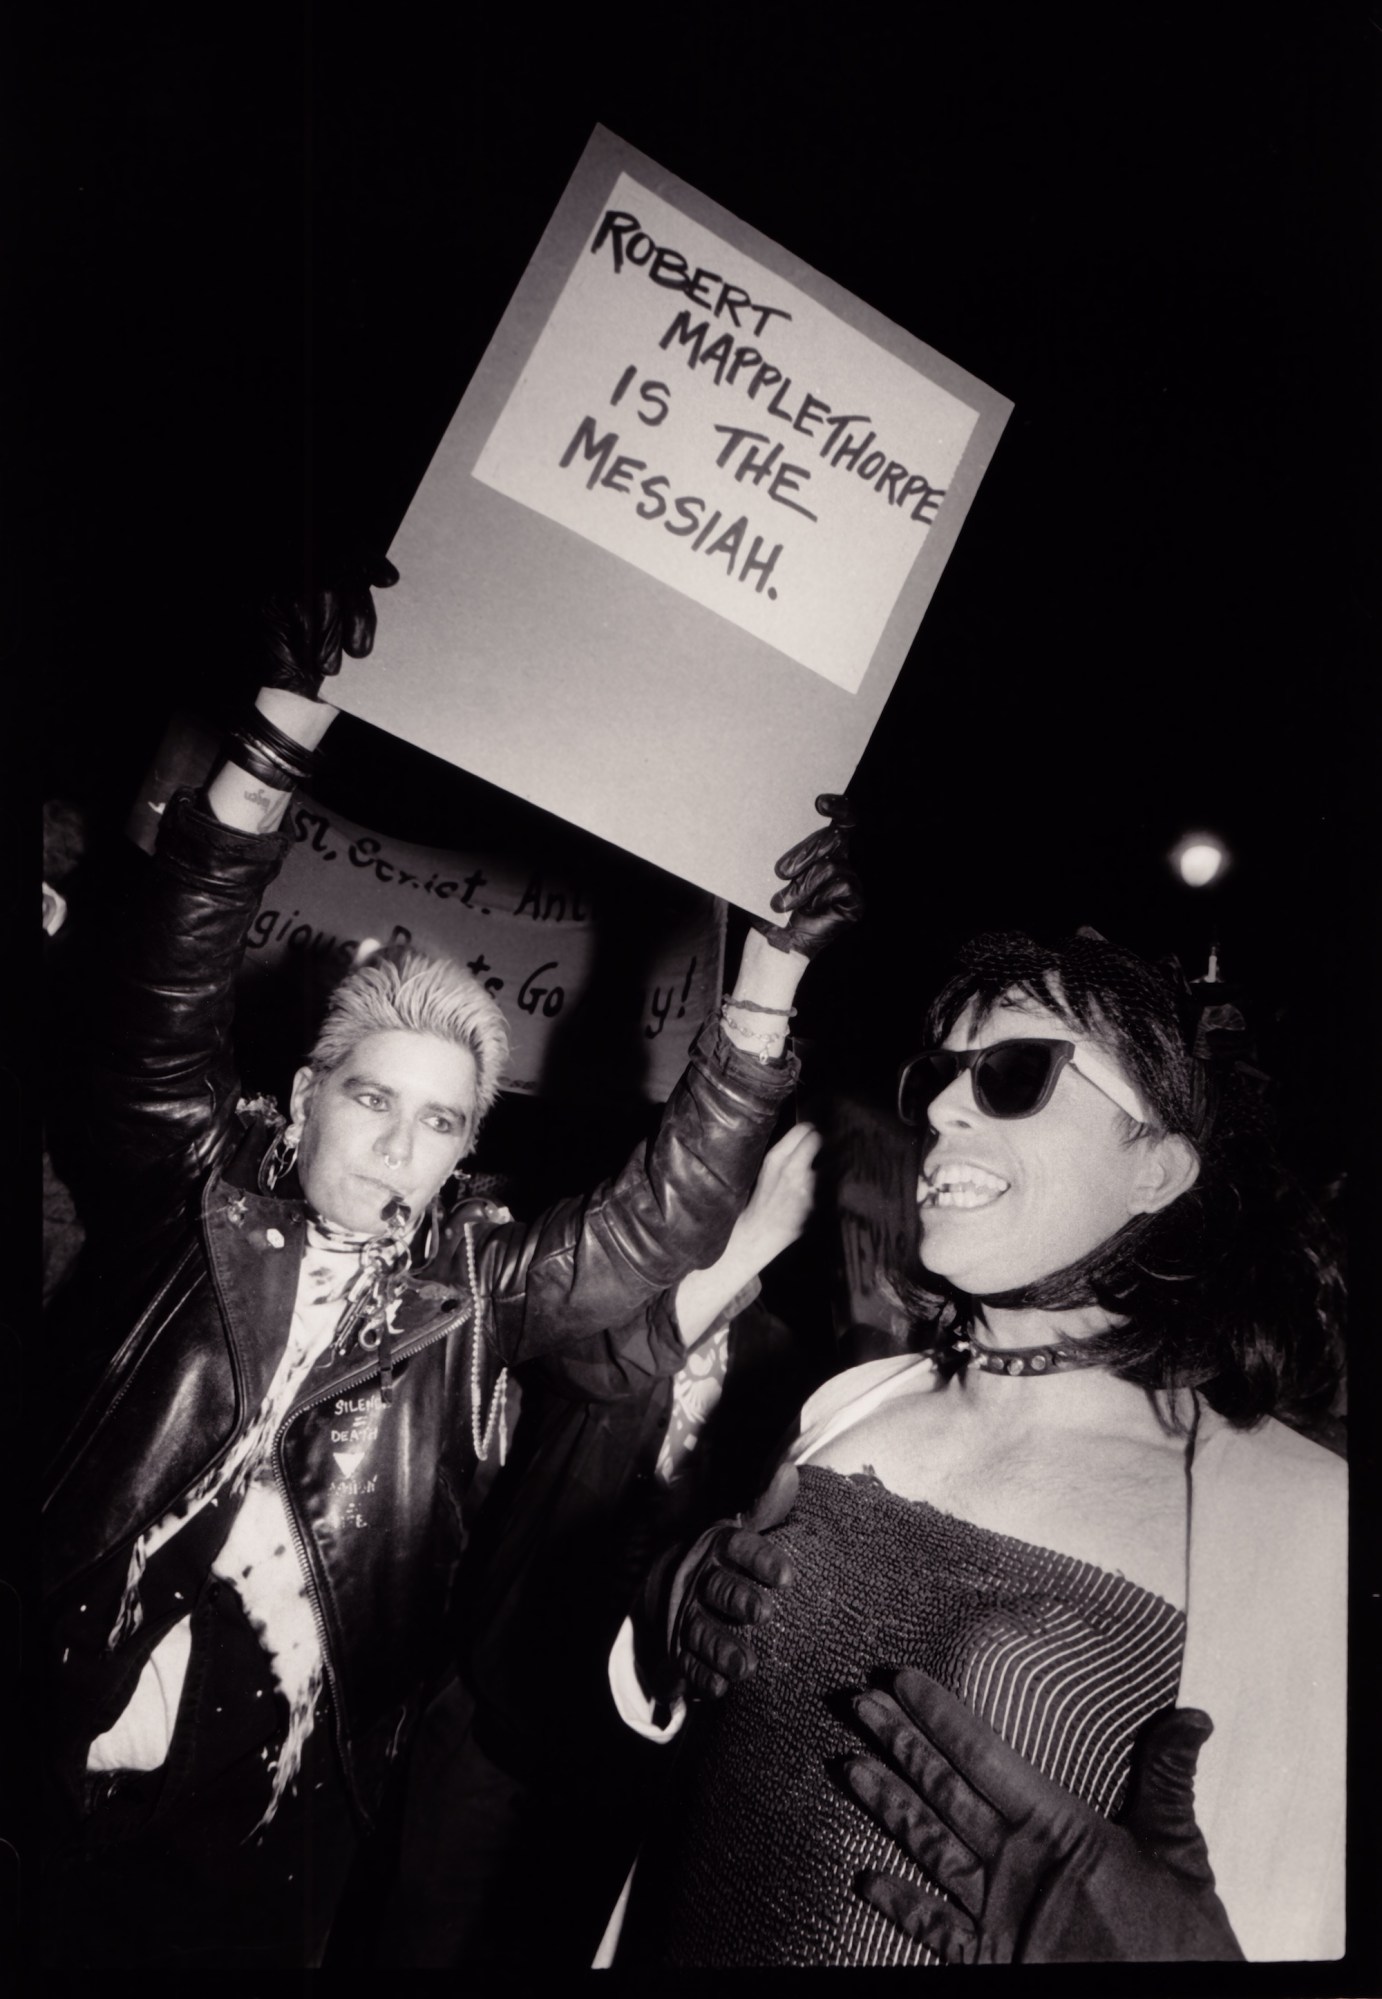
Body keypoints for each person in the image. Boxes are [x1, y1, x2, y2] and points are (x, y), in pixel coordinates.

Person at [38, 561, 861, 1969]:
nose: (396, 1147)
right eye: (368, 1099)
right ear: (296, 1099)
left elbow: (656, 1223)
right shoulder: (191, 1188)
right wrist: (275, 739)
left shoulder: (474, 1291)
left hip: (281, 1818)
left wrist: (770, 979)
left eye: (439, 1121)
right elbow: (160, 994)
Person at [605, 928, 1345, 1966]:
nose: (944, 1107)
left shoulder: (1306, 1521)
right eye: (940, 1075)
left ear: (1157, 1167)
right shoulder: (846, 1405)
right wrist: (671, 1602)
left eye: (1010, 1074)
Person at [375, 1120, 826, 1970]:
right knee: (420, 1937)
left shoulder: (784, 1361)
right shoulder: (606, 1310)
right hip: (496, 1688)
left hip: (620, 1736)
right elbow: (592, 1360)